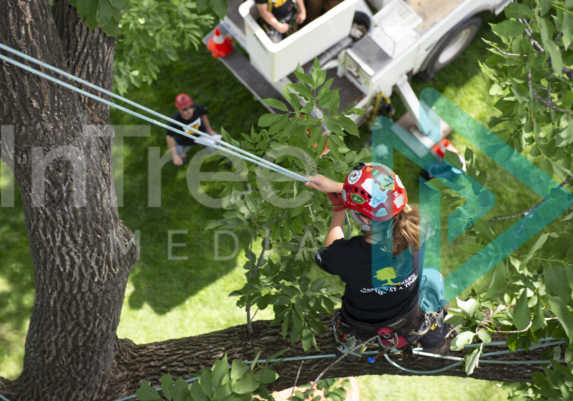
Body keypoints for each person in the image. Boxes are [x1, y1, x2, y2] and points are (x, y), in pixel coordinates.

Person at [305, 162, 453, 361]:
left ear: (365, 220)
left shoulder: (348, 256)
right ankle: (435, 338)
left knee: (355, 322)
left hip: (361, 322)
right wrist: (340, 188)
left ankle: (350, 341)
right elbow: (389, 200)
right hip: (407, 318)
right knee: (433, 277)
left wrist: (339, 208)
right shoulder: (419, 228)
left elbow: (327, 252)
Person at [166, 93, 221, 166]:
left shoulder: (197, 108)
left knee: (216, 146)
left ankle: (225, 158)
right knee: (178, 151)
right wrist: (175, 156)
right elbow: (169, 136)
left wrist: (210, 130)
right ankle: (181, 154)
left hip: (201, 134)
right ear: (179, 110)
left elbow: (203, 114)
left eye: (190, 107)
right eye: (185, 109)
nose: (189, 111)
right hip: (184, 141)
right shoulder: (175, 120)